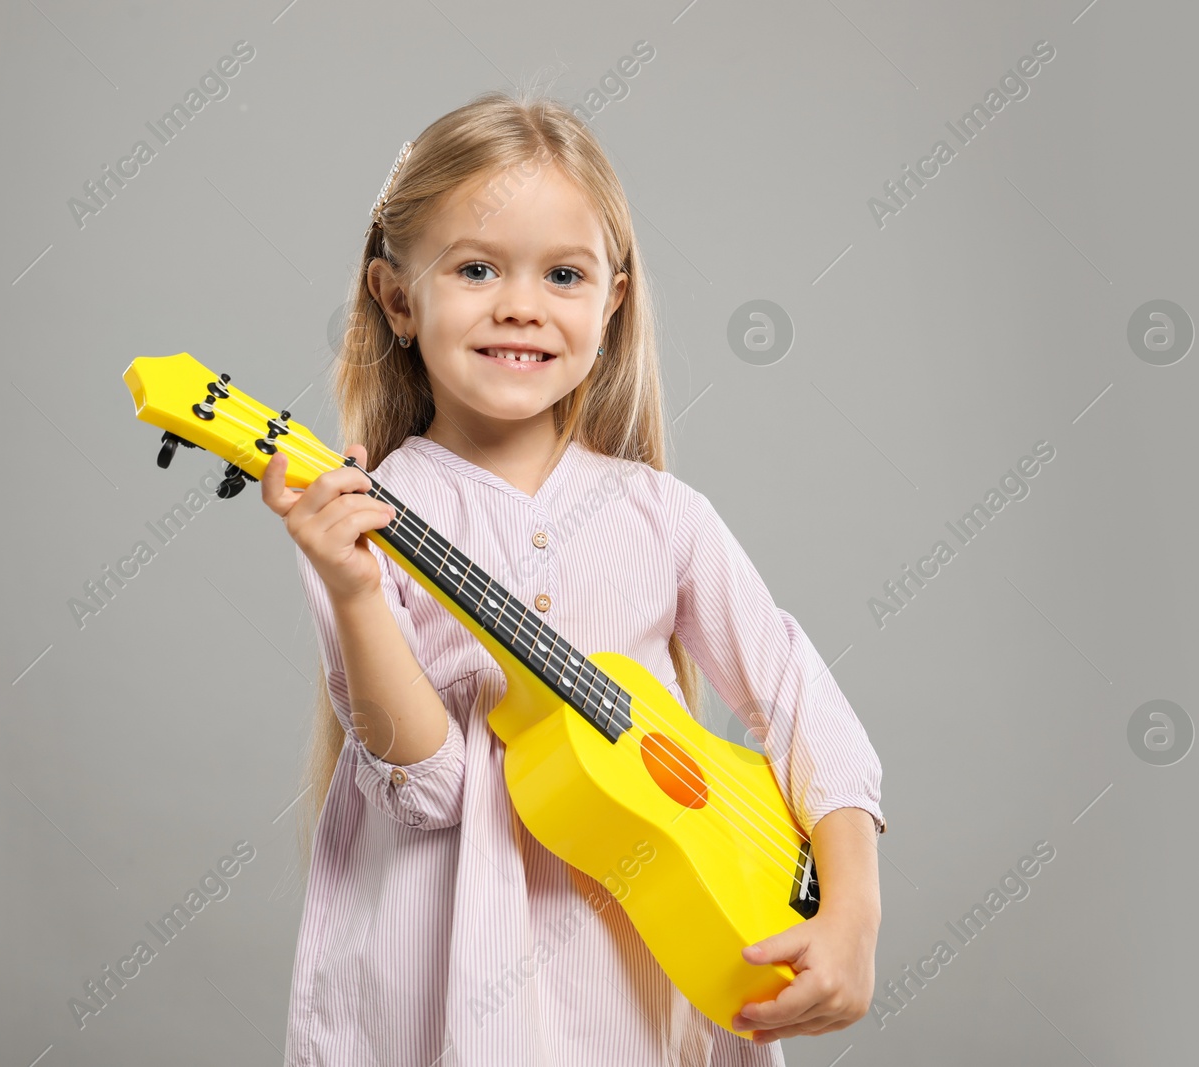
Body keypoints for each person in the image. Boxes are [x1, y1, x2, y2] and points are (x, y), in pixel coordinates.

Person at [261, 90, 885, 1067]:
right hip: (453, 983)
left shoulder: (660, 514)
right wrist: (350, 590)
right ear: (395, 296)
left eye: (562, 272)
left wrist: (851, 908)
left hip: (642, 985)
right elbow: (424, 788)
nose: (520, 304)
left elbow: (795, 691)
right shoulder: (364, 514)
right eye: (475, 268)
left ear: (613, 297)